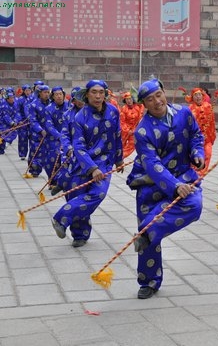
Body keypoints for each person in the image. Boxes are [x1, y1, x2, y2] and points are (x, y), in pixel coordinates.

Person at [126, 79, 205, 299]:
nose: (157, 101)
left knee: (194, 205)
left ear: (164, 93)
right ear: (144, 104)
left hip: (184, 176)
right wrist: (175, 186)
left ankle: (147, 232)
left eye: (158, 95)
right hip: (150, 183)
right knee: (150, 237)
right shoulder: (142, 131)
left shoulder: (184, 113)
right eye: (150, 99)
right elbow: (153, 165)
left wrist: (198, 154)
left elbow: (197, 136)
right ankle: (149, 281)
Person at [51, 79, 123, 248]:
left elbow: (117, 135)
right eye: (94, 92)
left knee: (98, 193)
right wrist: (92, 168)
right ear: (87, 94)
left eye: (101, 92)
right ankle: (80, 235)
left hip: (105, 162)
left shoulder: (113, 111)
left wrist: (119, 158)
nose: (98, 96)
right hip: (82, 162)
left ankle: (61, 217)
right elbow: (78, 146)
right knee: (77, 195)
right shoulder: (79, 117)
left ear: (105, 94)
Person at [187, 87, 216, 174]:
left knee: (208, 154)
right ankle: (195, 177)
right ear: (192, 97)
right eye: (195, 95)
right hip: (195, 140)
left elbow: (212, 123)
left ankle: (199, 176)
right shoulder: (189, 109)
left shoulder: (208, 106)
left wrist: (212, 138)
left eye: (199, 94)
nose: (198, 97)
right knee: (195, 159)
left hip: (207, 139)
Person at [120, 91, 144, 158]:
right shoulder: (124, 109)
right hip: (125, 130)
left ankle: (121, 157)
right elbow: (122, 121)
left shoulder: (138, 107)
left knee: (131, 145)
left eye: (130, 99)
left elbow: (141, 116)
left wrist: (135, 129)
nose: (129, 101)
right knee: (121, 144)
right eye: (127, 99)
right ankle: (118, 157)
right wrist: (127, 130)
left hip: (135, 129)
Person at [16, 84, 33, 160]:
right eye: (26, 91)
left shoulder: (33, 98)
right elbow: (17, 111)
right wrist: (19, 120)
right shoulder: (20, 99)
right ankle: (22, 154)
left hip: (32, 121)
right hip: (23, 121)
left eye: (29, 90)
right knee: (23, 137)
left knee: (33, 138)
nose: (28, 92)